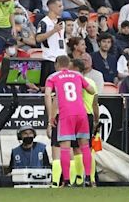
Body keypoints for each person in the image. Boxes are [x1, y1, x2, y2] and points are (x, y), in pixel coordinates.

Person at [44, 55, 95, 187]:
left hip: (66, 115)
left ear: (57, 65)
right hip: (81, 113)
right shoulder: (77, 75)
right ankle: (88, 178)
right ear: (68, 64)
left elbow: (48, 94)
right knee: (85, 147)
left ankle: (66, 180)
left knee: (65, 148)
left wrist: (51, 116)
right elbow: (92, 90)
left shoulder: (53, 77)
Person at [36, 0, 67, 87]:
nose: (62, 8)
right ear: (52, 7)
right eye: (59, 6)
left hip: (62, 58)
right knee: (49, 86)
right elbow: (38, 38)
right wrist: (53, 30)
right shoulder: (44, 22)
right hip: (50, 59)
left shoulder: (62, 22)